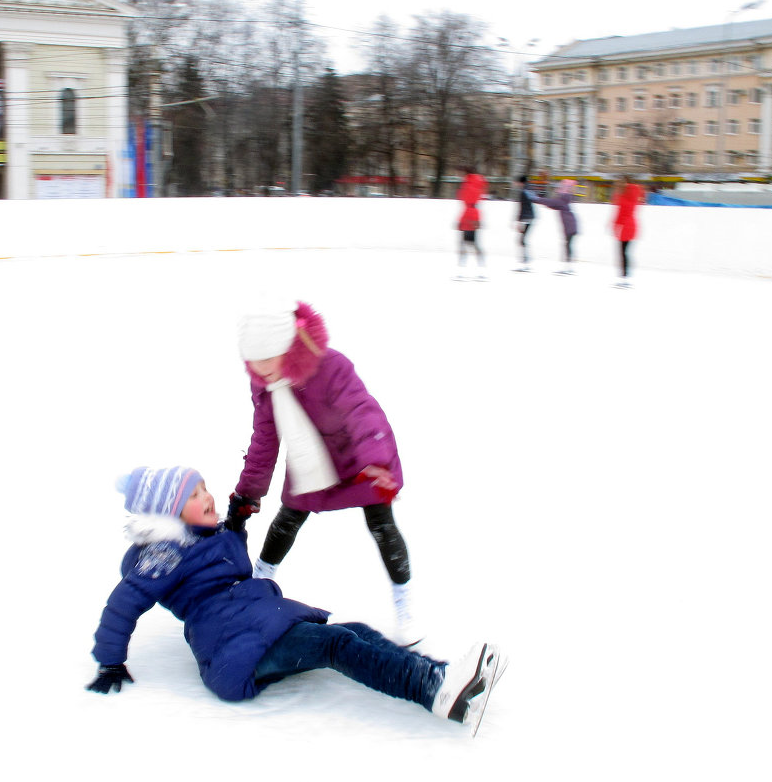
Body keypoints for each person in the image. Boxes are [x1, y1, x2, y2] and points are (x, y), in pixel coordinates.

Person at [88, 466, 505, 735]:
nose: (207, 496)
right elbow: (123, 604)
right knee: (337, 645)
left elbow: (228, 566)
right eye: (195, 496)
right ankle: (434, 691)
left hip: (250, 625)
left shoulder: (202, 538)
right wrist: (110, 659)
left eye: (203, 487)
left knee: (353, 632)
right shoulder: (161, 554)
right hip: (234, 645)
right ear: (171, 513)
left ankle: (447, 678)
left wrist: (235, 524)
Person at [228, 297, 423, 646]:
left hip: (362, 457)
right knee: (288, 519)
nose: (261, 369)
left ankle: (404, 604)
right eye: (253, 363)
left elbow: (362, 411)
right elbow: (265, 437)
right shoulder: (264, 381)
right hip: (311, 459)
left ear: (287, 346)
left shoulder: (331, 366)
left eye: (267, 359)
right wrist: (249, 491)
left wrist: (375, 460)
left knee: (381, 523)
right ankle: (259, 581)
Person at [532, 178, 579, 275]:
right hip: (571, 226)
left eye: (561, 189)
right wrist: (540, 201)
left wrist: (537, 199)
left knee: (567, 246)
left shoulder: (563, 200)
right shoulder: (564, 201)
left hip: (570, 227)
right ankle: (568, 267)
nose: (558, 191)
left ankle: (568, 267)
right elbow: (552, 204)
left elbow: (552, 203)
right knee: (567, 245)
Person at [454, 166, 489, 281]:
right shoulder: (476, 183)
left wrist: (461, 221)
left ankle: (464, 270)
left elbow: (466, 202)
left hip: (469, 216)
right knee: (472, 243)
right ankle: (480, 269)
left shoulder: (468, 184)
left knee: (466, 244)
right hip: (473, 215)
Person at [611, 175, 644, 288]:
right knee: (625, 253)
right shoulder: (633, 194)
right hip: (632, 226)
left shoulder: (623, 197)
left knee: (623, 253)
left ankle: (625, 277)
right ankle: (626, 276)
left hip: (626, 227)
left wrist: (614, 226)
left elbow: (619, 214)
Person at [512, 175, 536, 272]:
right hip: (530, 217)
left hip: (525, 218)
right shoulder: (529, 190)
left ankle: (526, 261)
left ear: (520, 182)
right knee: (522, 240)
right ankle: (526, 260)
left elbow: (522, 207)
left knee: (521, 240)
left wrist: (519, 221)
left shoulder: (523, 192)